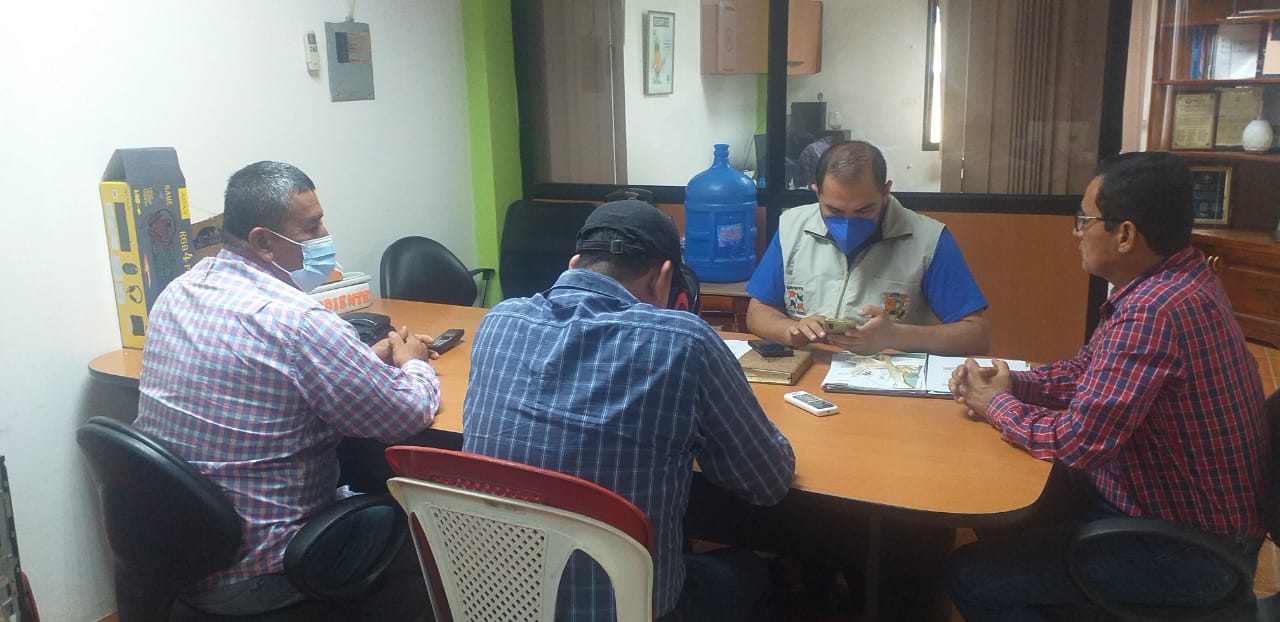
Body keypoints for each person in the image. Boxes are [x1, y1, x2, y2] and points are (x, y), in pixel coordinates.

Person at [946, 151, 1268, 620]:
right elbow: (1089, 371)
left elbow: (1076, 443)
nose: (1076, 232)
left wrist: (994, 403)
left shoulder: (1153, 312)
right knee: (1002, 511)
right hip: (1171, 514)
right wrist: (1016, 383)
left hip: (1191, 552)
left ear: (1126, 235)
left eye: (1084, 220)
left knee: (973, 577)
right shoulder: (1177, 280)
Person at [133, 161, 440, 619]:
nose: (325, 234)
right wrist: (413, 363)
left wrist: (358, 360)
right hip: (272, 569)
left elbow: (261, 376)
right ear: (263, 241)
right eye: (311, 227)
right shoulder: (299, 322)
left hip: (184, 557)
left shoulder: (178, 292)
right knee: (436, 536)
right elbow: (404, 415)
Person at [462, 199, 796, 621]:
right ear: (664, 277)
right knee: (748, 571)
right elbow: (767, 482)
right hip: (631, 611)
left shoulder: (498, 321)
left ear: (575, 263)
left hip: (495, 604)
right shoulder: (685, 342)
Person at [746, 140, 990, 355]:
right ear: (817, 192)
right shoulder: (792, 227)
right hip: (810, 369)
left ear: (885, 192)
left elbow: (976, 335)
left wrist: (896, 335)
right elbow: (758, 311)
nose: (848, 223)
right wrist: (792, 331)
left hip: (887, 377)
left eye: (864, 210)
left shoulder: (929, 239)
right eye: (834, 210)